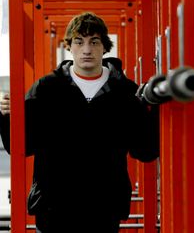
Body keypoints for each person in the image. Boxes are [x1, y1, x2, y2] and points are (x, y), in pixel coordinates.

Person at [0, 12, 159, 233]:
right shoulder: (46, 89)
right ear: (69, 46)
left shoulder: (125, 92)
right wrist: (7, 116)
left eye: (94, 42)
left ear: (105, 47)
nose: (86, 50)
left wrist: (156, 110)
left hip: (103, 209)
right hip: (53, 209)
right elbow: (21, 146)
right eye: (79, 41)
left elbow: (145, 151)